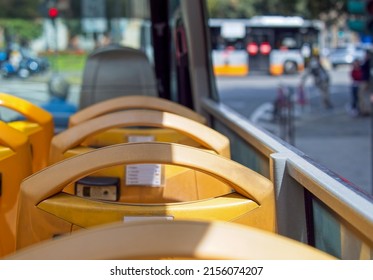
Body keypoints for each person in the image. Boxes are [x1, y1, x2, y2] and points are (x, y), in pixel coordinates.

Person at [358, 51, 371, 116]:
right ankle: (366, 110)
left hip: (366, 81)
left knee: (362, 96)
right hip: (367, 81)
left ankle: (364, 110)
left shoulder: (368, 62)